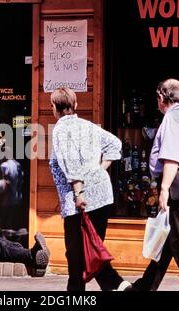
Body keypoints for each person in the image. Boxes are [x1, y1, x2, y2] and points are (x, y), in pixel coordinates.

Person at [49, 87, 132, 291]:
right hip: (102, 196)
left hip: (79, 200)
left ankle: (111, 286)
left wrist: (79, 192)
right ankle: (118, 286)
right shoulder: (88, 126)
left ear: (54, 108)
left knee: (77, 255)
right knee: (91, 249)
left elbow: (71, 163)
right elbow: (115, 144)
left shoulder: (60, 129)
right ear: (75, 105)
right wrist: (98, 171)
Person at [132, 78, 179, 291]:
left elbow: (172, 157)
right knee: (167, 241)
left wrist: (164, 188)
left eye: (157, 97)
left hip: (176, 184)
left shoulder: (172, 119)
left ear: (162, 97)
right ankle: (144, 287)